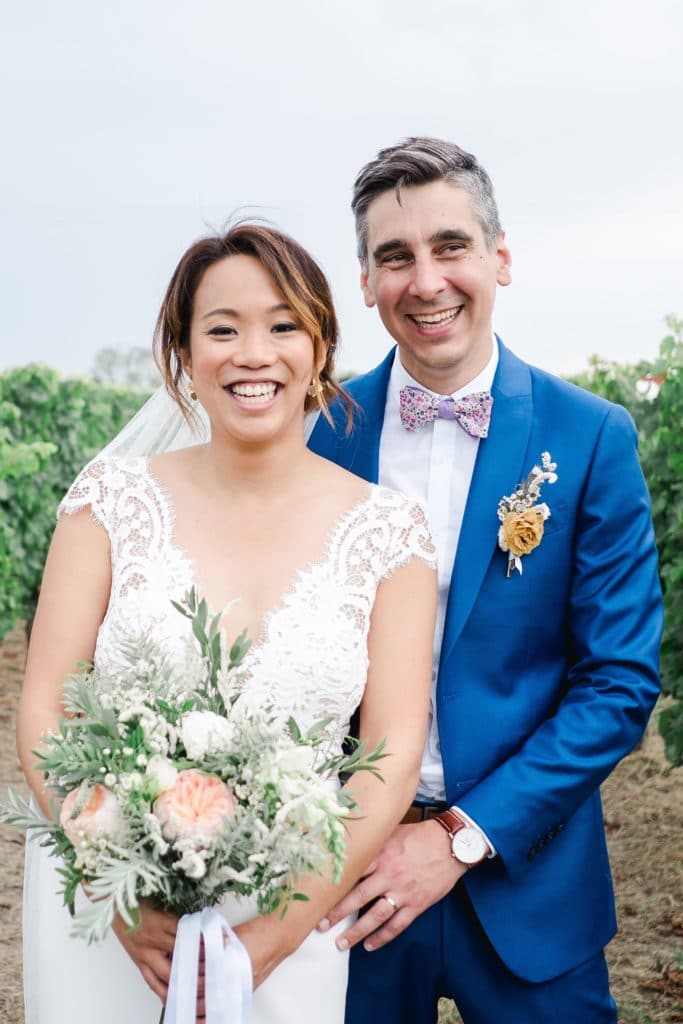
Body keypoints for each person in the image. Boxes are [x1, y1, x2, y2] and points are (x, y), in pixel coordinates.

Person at [16, 224, 438, 1024]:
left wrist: (279, 935)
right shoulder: (109, 502)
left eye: (283, 326)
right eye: (222, 328)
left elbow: (391, 753)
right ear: (181, 353)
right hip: (111, 910)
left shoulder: (389, 532)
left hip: (292, 904)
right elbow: (44, 711)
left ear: (319, 348)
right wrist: (116, 894)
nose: (254, 353)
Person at [308, 137, 664, 1024]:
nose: (425, 281)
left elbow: (617, 686)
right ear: (365, 281)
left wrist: (459, 839)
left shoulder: (589, 439)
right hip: (347, 883)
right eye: (395, 257)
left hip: (527, 878)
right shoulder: (319, 435)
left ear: (500, 258)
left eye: (450, 246)